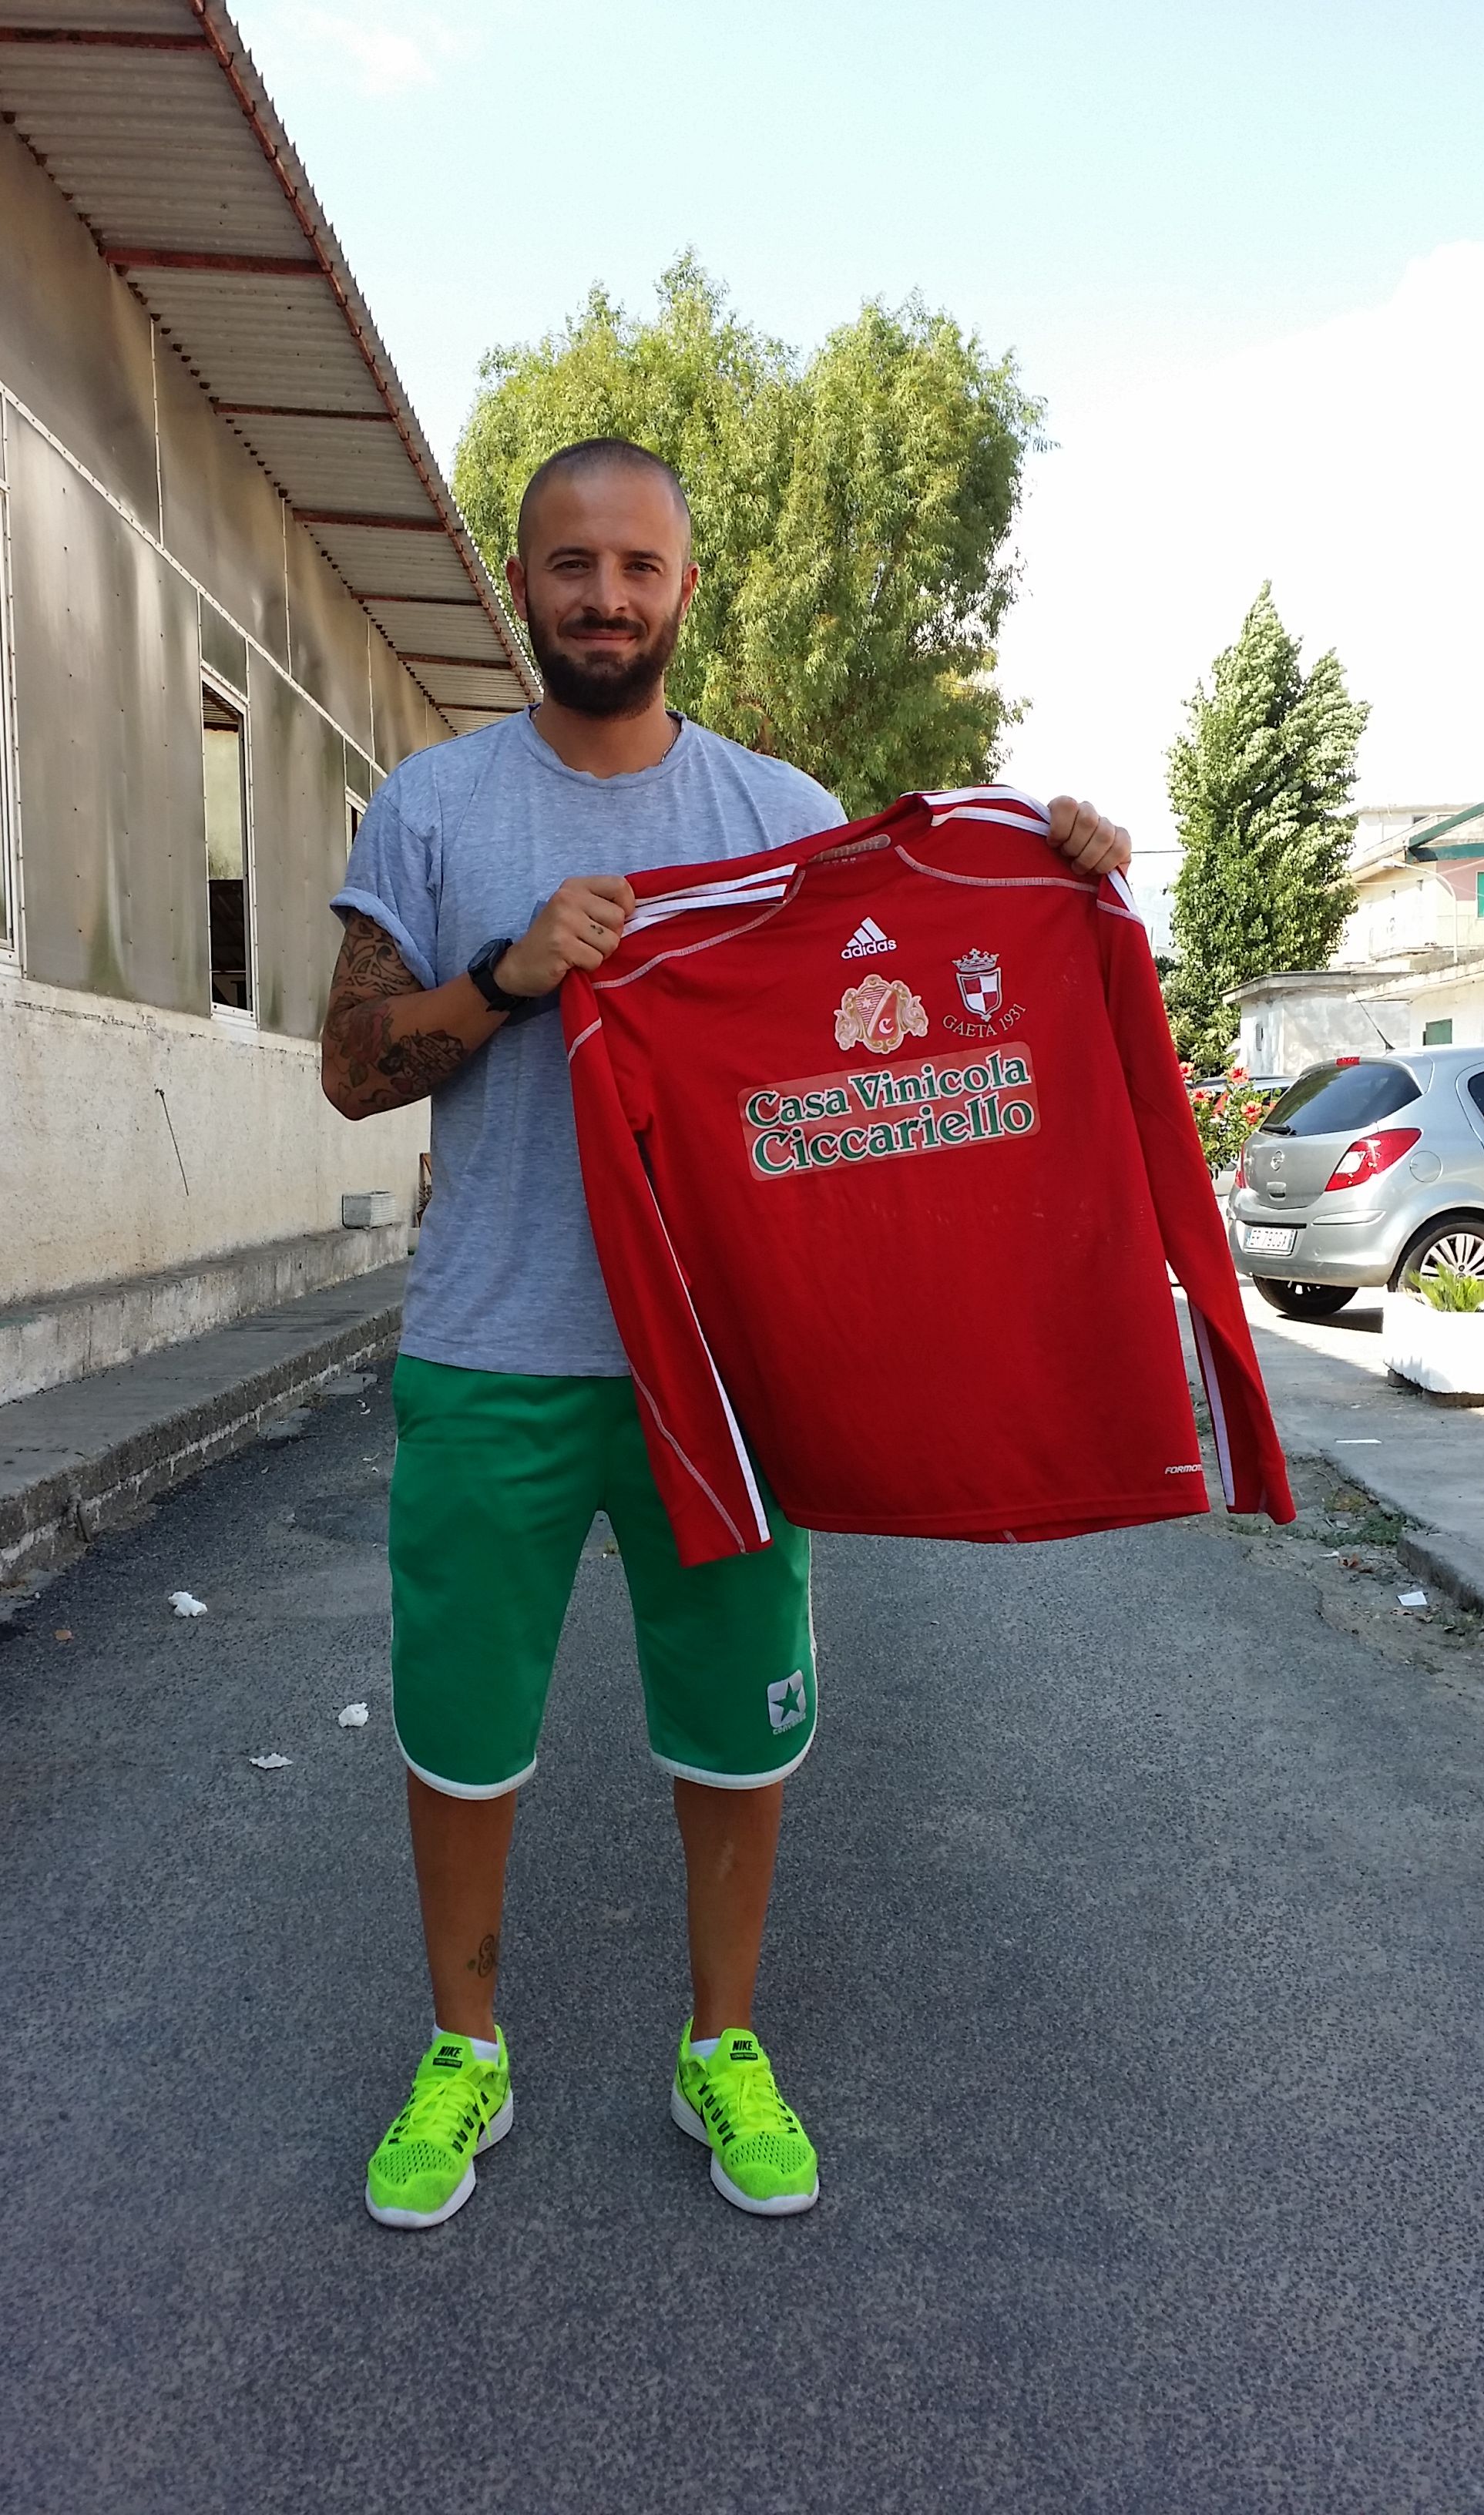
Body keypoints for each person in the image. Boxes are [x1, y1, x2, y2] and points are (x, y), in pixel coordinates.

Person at [323, 438, 1131, 2228]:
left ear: (685, 588)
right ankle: (465, 2051)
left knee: (737, 1728)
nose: (605, 596)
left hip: (727, 1361)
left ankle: (723, 2043)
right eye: (570, 564)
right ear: (522, 583)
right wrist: (511, 977)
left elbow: (903, 1020)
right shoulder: (435, 808)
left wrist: (1056, 872)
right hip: (498, 1348)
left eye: (638, 566)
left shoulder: (777, 813)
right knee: (462, 1725)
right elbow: (353, 1069)